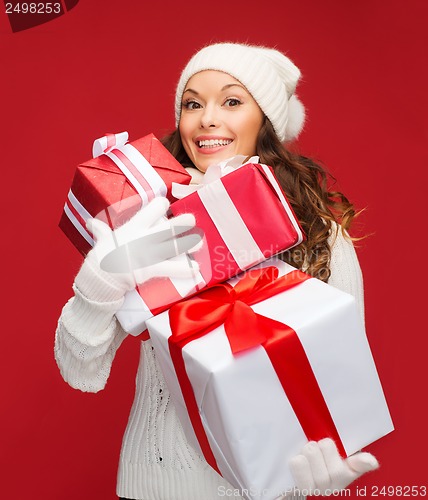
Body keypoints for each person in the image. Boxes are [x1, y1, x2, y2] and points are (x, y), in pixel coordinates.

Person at [55, 43, 379, 500]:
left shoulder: (318, 234)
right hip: (156, 484)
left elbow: (342, 376)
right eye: (192, 103)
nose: (207, 118)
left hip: (268, 489)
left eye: (231, 101)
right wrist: (100, 283)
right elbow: (78, 369)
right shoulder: (148, 219)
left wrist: (334, 467)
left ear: (265, 121)